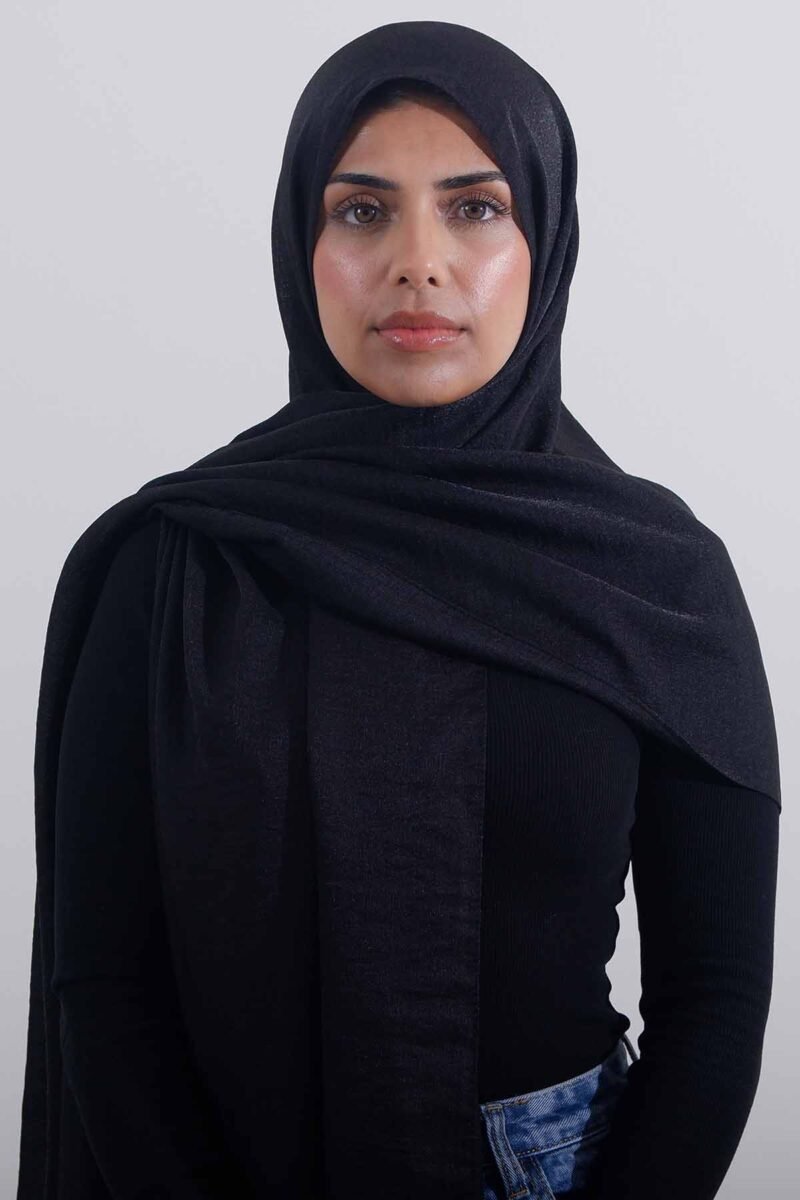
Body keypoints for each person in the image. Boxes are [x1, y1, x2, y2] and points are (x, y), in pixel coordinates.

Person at [17, 21, 780, 1200]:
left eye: (474, 208)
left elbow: (713, 1000)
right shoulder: (170, 563)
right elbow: (106, 986)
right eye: (362, 210)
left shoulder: (651, 578)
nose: (417, 262)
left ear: (544, 242)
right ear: (300, 245)